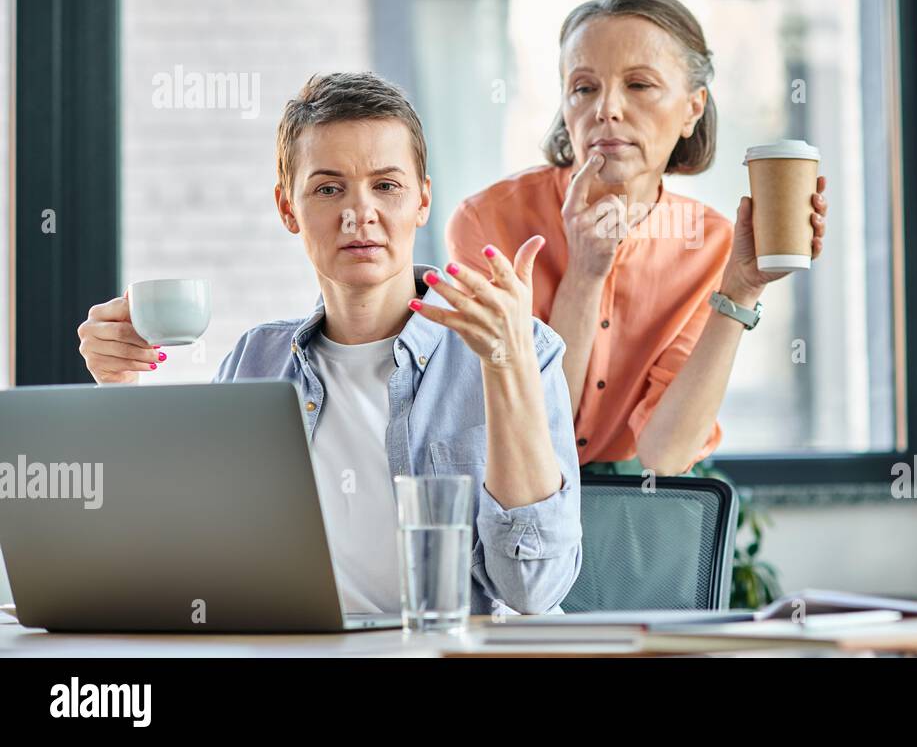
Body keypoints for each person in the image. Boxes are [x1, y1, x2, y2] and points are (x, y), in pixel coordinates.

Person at [76, 72, 582, 616]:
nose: (358, 212)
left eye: (386, 186)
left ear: (422, 201)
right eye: (328, 188)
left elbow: (533, 590)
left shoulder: (523, 346)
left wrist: (505, 365)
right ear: (287, 208)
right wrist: (119, 393)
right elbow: (186, 558)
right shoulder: (256, 363)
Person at [446, 0, 830, 476]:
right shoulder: (487, 222)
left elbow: (665, 453)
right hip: (511, 491)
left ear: (693, 108)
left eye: (639, 85)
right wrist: (584, 273)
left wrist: (742, 289)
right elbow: (532, 433)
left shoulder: (712, 245)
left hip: (635, 506)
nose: (606, 108)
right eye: (584, 88)